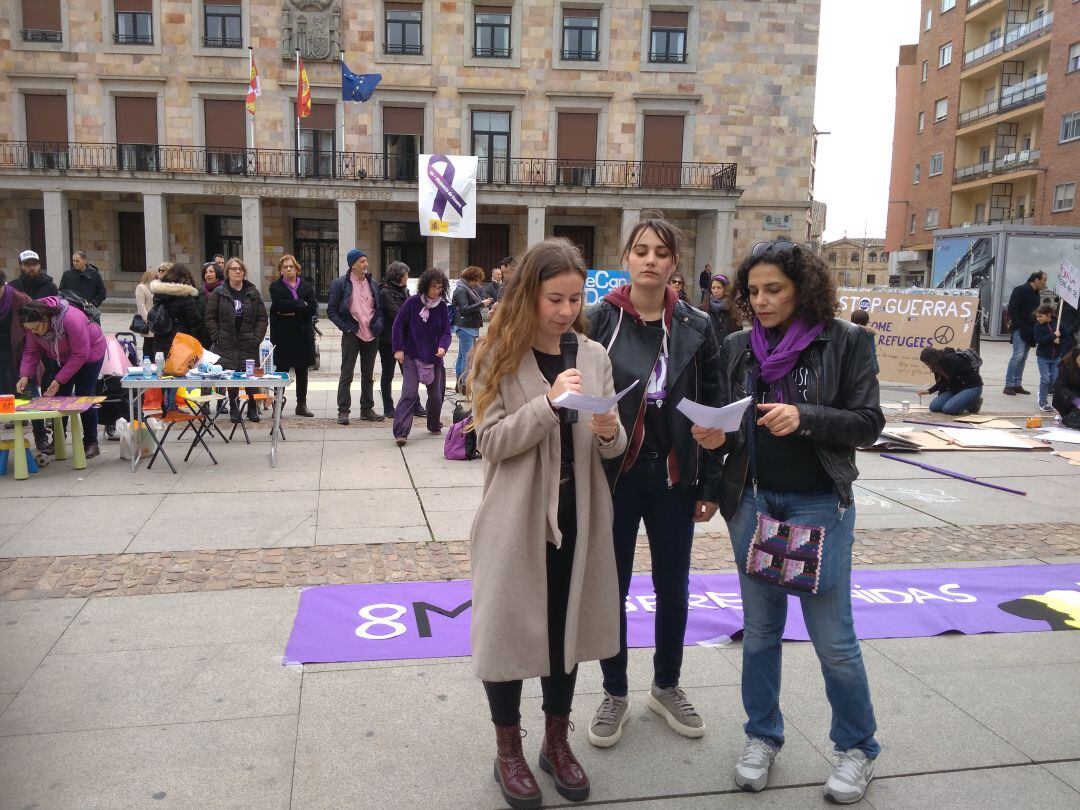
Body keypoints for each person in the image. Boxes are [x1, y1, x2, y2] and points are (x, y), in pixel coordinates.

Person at [715, 240, 884, 803]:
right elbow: (733, 422)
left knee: (833, 639)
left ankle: (857, 748)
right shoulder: (739, 346)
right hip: (755, 502)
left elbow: (867, 423)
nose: (759, 301)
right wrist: (715, 434)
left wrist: (804, 416)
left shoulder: (848, 339)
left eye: (773, 290)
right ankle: (762, 736)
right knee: (761, 633)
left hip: (818, 504)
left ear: (802, 289)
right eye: (753, 291)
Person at [468, 238, 627, 808]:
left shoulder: (591, 354)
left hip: (579, 514)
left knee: (567, 632)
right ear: (528, 294)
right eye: (553, 298)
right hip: (516, 518)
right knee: (510, 634)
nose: (564, 311)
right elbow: (490, 442)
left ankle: (556, 743)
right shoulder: (495, 352)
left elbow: (611, 447)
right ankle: (508, 747)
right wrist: (548, 404)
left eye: (573, 299)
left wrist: (610, 431)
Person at [586, 215, 726, 749]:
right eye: (640, 250)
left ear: (673, 264)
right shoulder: (600, 320)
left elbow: (713, 403)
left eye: (660, 253)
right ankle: (615, 690)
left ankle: (666, 685)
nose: (650, 260)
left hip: (674, 474)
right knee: (612, 586)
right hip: (616, 473)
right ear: (627, 257)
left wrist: (709, 482)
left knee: (674, 587)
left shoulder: (695, 324)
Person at [16, 297, 108, 459]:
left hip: (91, 351)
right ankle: (58, 439)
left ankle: (91, 442)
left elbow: (81, 354)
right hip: (62, 355)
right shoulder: (33, 325)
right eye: (30, 330)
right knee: (59, 397)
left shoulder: (71, 319)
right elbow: (31, 352)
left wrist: (58, 380)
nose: (35, 333)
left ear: (45, 318)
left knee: (84, 395)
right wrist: (25, 375)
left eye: (36, 329)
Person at [391, 268, 451, 446]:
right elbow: (398, 326)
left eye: (440, 287)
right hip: (412, 355)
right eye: (434, 287)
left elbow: (446, 332)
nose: (437, 291)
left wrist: (443, 347)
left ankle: (433, 423)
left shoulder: (441, 307)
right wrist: (398, 349)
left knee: (436, 396)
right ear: (425, 286)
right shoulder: (412, 303)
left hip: (434, 358)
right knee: (409, 393)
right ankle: (401, 432)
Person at [205, 257, 268, 424]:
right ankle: (233, 406)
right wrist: (217, 336)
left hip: (248, 341)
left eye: (240, 269)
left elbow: (262, 318)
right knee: (231, 375)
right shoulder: (219, 293)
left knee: (250, 376)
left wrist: (257, 338)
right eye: (233, 269)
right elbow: (210, 317)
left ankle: (252, 406)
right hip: (227, 342)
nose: (237, 271)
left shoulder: (253, 293)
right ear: (227, 273)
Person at [327, 249, 384, 425]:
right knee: (347, 374)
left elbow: (379, 308)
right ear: (352, 264)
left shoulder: (372, 283)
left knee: (368, 375)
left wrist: (378, 324)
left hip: (371, 335)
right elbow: (331, 310)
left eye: (366, 261)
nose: (365, 264)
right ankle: (343, 411)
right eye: (361, 261)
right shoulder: (340, 284)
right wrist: (346, 328)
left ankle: (367, 408)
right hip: (352, 334)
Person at [11, 250, 60, 455]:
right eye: (27, 264)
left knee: (51, 384)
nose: (31, 267)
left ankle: (53, 433)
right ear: (21, 266)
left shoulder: (49, 285)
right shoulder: (14, 288)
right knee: (29, 390)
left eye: (34, 263)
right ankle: (38, 434)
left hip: (48, 342)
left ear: (40, 265)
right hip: (26, 344)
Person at [269, 254, 318, 417]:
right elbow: (279, 306)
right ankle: (278, 404)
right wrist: (299, 304)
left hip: (303, 335)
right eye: (285, 267)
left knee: (302, 371)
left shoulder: (307, 287)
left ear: (297, 269)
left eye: (291, 266)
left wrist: (293, 308)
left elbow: (312, 308)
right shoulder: (275, 287)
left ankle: (301, 404)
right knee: (281, 371)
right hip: (283, 336)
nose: (288, 269)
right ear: (280, 271)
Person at [150, 263, 202, 413]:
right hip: (178, 340)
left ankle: (164, 401)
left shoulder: (159, 293)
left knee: (163, 371)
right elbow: (195, 319)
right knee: (176, 371)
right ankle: (171, 404)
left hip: (160, 337)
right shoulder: (185, 295)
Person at [377, 262, 424, 420]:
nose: (408, 277)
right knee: (388, 373)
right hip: (388, 339)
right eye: (406, 274)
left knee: (410, 374)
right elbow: (396, 313)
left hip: (405, 339)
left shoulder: (404, 290)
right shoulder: (385, 291)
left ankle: (415, 405)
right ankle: (388, 407)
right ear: (399, 275)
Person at [1004, 271, 1046, 395]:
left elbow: (1035, 312)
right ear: (1037, 280)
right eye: (1044, 280)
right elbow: (1012, 308)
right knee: (1018, 355)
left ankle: (1017, 384)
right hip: (1020, 329)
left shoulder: (1037, 294)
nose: (1045, 283)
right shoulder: (1020, 290)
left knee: (1023, 358)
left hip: (1031, 329)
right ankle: (1008, 385)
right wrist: (1020, 325)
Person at [451, 265, 493, 387]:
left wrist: (481, 303)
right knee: (467, 357)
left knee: (462, 356)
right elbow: (464, 309)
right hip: (465, 326)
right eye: (477, 280)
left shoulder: (467, 287)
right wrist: (481, 304)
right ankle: (464, 384)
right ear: (471, 278)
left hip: (467, 326)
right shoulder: (462, 289)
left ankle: (459, 383)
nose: (478, 283)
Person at [917, 347, 983, 415]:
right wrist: (929, 391)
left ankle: (973, 403)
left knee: (948, 409)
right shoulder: (937, 365)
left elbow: (947, 381)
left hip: (972, 387)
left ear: (933, 359)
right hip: (956, 389)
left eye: (927, 363)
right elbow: (942, 382)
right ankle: (959, 400)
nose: (928, 366)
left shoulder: (949, 359)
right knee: (933, 407)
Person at [0, 271, 32, 396]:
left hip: (16, 351)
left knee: (17, 390)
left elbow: (33, 322)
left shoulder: (19, 299)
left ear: (3, 285)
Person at [1033, 303, 1061, 414]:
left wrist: (1060, 341)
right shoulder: (1037, 327)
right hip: (1043, 357)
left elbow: (1066, 338)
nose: (1038, 319)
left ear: (1048, 315)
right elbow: (1039, 340)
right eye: (1037, 316)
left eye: (1041, 316)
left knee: (1054, 379)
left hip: (1056, 357)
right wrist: (1053, 336)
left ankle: (1042, 392)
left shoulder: (1058, 324)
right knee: (1045, 379)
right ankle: (1043, 401)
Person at [703, 273, 741, 344]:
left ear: (725, 289)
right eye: (713, 288)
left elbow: (737, 333)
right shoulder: (703, 308)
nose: (716, 291)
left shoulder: (733, 309)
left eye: (719, 288)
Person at [134, 266, 162, 359]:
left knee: (154, 341)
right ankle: (147, 360)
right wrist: (146, 319)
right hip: (148, 320)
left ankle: (153, 359)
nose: (156, 279)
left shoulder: (155, 288)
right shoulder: (141, 287)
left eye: (156, 277)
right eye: (154, 277)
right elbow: (141, 305)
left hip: (156, 319)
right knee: (148, 341)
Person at [1052, 347, 1080, 428]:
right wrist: (1075, 400)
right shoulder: (1066, 366)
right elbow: (1060, 387)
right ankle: (1068, 418)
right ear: (1074, 358)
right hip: (1064, 397)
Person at [850, 309, 879, 375]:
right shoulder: (869, 334)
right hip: (868, 370)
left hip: (851, 371)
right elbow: (872, 353)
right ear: (866, 322)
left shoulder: (847, 333)